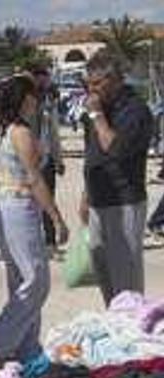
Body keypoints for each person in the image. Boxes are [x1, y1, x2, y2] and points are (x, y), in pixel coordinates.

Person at [0, 76, 69, 364]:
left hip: (1, 205)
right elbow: (34, 178)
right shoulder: (20, 131)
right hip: (17, 206)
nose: (38, 101)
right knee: (36, 280)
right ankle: (0, 339)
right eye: (34, 96)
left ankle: (27, 346)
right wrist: (56, 217)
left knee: (20, 278)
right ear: (24, 99)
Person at [79, 53, 154, 305]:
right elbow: (92, 154)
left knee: (126, 282)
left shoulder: (135, 110)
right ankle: (115, 330)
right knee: (106, 278)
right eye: (88, 84)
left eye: (97, 83)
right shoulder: (97, 109)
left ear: (114, 79)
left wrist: (98, 116)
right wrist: (85, 195)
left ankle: (133, 332)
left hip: (124, 202)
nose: (92, 90)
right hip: (99, 201)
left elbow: (115, 149)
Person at [28, 65, 65, 257]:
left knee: (49, 200)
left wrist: (59, 159)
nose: (44, 82)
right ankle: (33, 242)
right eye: (40, 78)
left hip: (48, 159)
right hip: (29, 160)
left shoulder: (50, 102)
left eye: (46, 78)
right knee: (31, 203)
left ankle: (50, 243)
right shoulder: (26, 104)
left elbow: (54, 133)